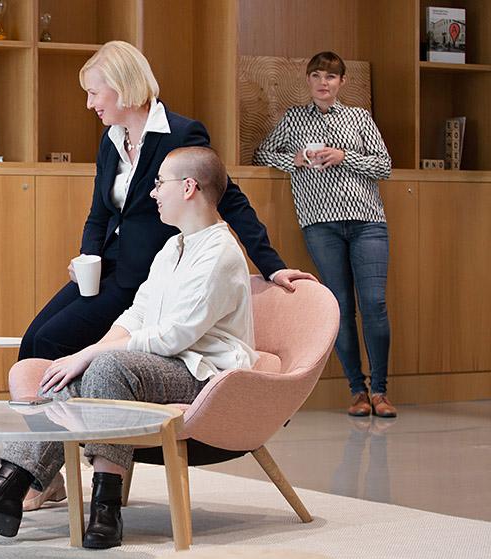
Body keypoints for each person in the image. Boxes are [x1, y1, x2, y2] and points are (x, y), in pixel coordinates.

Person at [0, 146, 258, 549]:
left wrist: (92, 355)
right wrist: (86, 354)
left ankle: (103, 507)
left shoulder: (220, 252)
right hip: (162, 365)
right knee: (58, 381)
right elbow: (136, 315)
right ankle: (9, 487)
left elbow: (176, 336)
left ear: (189, 187)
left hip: (202, 376)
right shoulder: (173, 247)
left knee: (106, 367)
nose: (153, 193)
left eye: (159, 184)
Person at [20, 39, 312, 364]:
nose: (89, 104)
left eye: (93, 93)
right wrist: (88, 257)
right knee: (33, 338)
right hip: (106, 266)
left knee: (51, 340)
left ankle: (58, 415)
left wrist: (272, 267)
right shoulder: (110, 139)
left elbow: (228, 198)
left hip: (145, 272)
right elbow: (99, 213)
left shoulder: (181, 134)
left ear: (121, 86)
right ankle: (41, 411)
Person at [252, 51, 396, 418]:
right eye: (316, 75)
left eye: (330, 77)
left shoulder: (360, 118)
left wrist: (343, 156)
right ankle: (357, 391)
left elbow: (384, 165)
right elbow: (262, 153)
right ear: (308, 80)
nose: (323, 82)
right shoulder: (294, 118)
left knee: (374, 304)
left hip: (368, 221)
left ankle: (380, 390)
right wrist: (296, 159)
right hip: (320, 224)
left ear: (342, 82)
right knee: (340, 309)